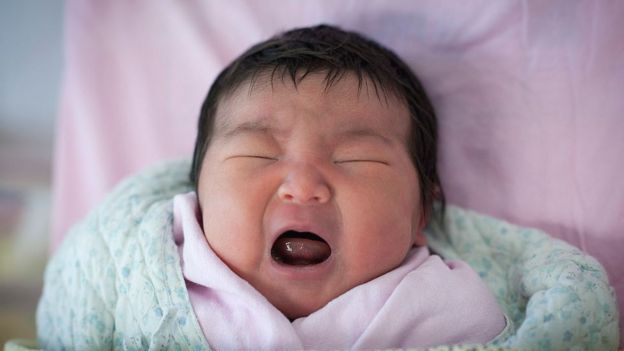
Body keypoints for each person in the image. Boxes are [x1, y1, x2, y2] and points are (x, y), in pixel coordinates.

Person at [176, 24, 506, 349]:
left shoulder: (443, 309)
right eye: (258, 153)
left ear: (421, 213)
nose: (303, 187)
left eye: (355, 159)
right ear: (199, 201)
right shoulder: (156, 280)